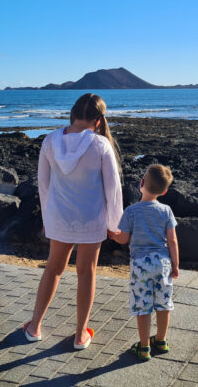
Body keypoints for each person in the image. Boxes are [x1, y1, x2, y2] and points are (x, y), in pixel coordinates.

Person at [22, 93, 123, 350]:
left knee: (53, 269)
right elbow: (113, 189)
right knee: (86, 272)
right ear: (99, 121)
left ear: (73, 113)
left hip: (59, 216)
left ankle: (34, 327)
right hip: (91, 219)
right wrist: (115, 225)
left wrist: (47, 218)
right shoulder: (100, 145)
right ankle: (80, 335)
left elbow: (43, 186)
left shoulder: (50, 141)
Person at [108, 164, 178, 361]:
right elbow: (172, 240)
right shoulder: (166, 211)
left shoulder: (131, 211)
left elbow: (123, 239)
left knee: (143, 306)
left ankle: (144, 347)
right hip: (162, 263)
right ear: (164, 191)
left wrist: (112, 235)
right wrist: (175, 264)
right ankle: (161, 340)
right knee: (164, 304)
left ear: (141, 184)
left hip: (140, 265)